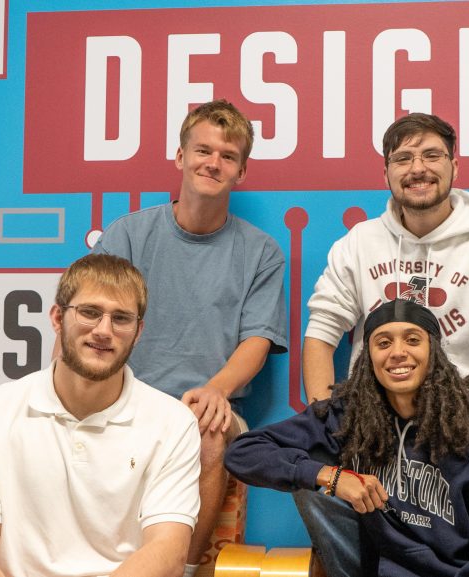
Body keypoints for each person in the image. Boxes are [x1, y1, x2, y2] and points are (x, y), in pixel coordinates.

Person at [301, 113, 469, 577]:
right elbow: (321, 332)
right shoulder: (359, 244)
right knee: (312, 464)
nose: (418, 168)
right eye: (403, 158)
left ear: (455, 165)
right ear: (386, 172)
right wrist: (323, 414)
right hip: (380, 414)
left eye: (431, 155)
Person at [91, 99, 288, 575]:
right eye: (203, 150)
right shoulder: (128, 234)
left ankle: (176, 571)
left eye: (227, 155)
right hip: (124, 398)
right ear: (180, 157)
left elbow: (257, 342)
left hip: (209, 404)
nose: (213, 163)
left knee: (208, 431)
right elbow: (90, 326)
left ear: (241, 171)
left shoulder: (261, 251)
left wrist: (216, 390)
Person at [226, 299, 469, 577]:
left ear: (433, 352)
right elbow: (243, 452)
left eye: (412, 340)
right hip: (377, 570)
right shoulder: (346, 417)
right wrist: (330, 475)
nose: (398, 352)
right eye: (383, 343)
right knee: (310, 479)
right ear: (368, 356)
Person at [0, 254, 201, 577]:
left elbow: (167, 551)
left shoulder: (174, 424)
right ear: (57, 318)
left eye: (121, 318)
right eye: (90, 312)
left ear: (138, 332)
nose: (104, 330)